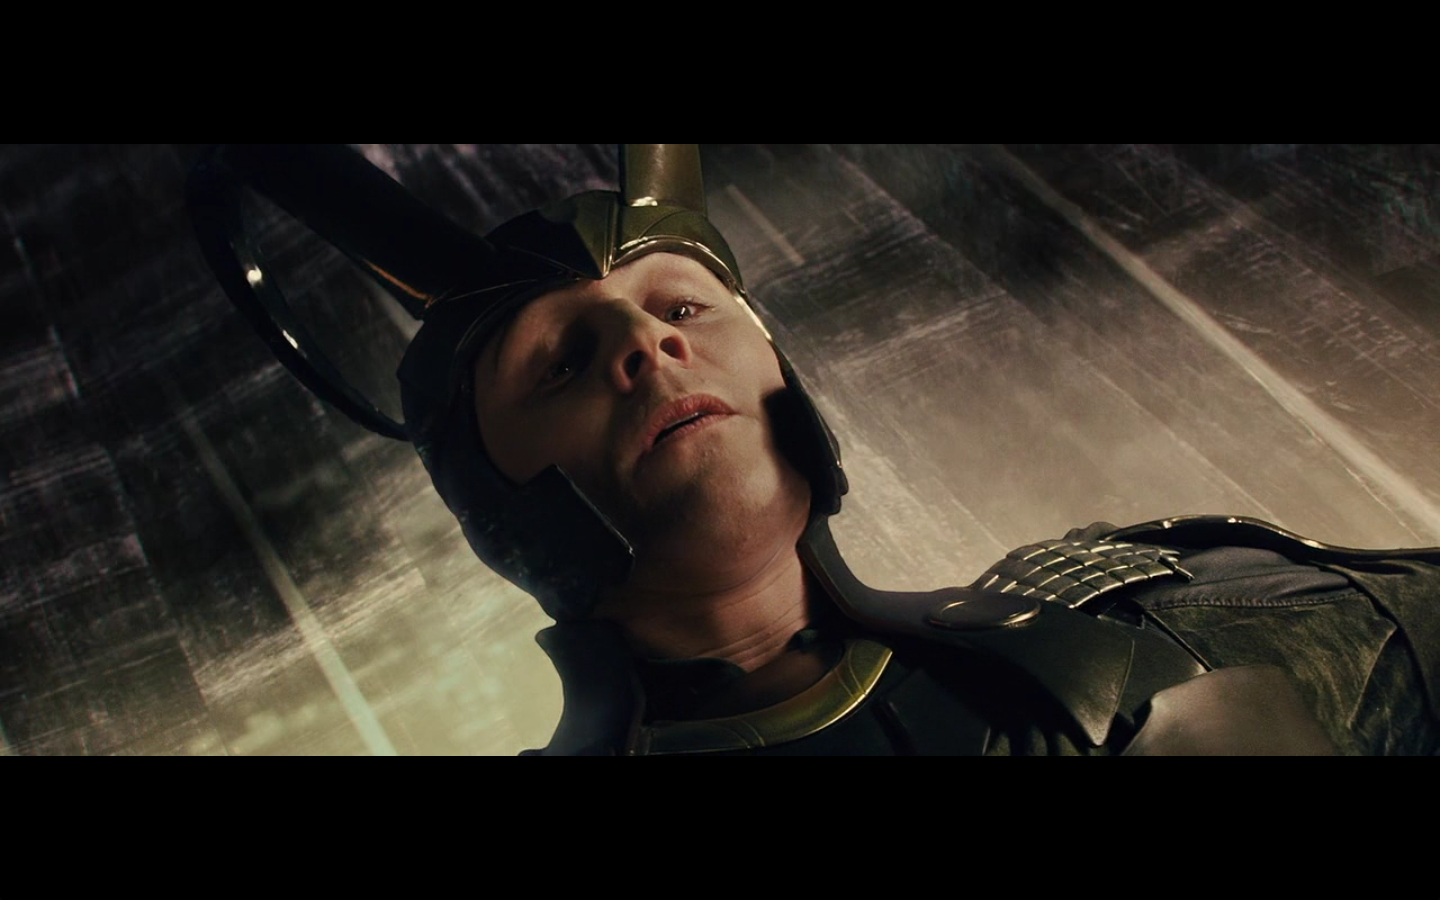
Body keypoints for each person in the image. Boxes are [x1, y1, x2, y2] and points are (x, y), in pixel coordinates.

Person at [188, 143, 1440, 755]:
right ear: (501, 504)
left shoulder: (1153, 622)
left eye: (685, 307)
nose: (650, 344)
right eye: (561, 361)